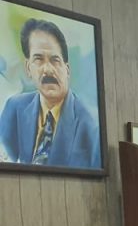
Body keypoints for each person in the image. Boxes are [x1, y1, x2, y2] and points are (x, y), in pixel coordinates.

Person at [0, 19, 100, 168]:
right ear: (28, 68)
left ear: (67, 70)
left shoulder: (91, 126)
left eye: (55, 60)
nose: (47, 69)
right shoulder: (14, 108)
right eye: (38, 59)